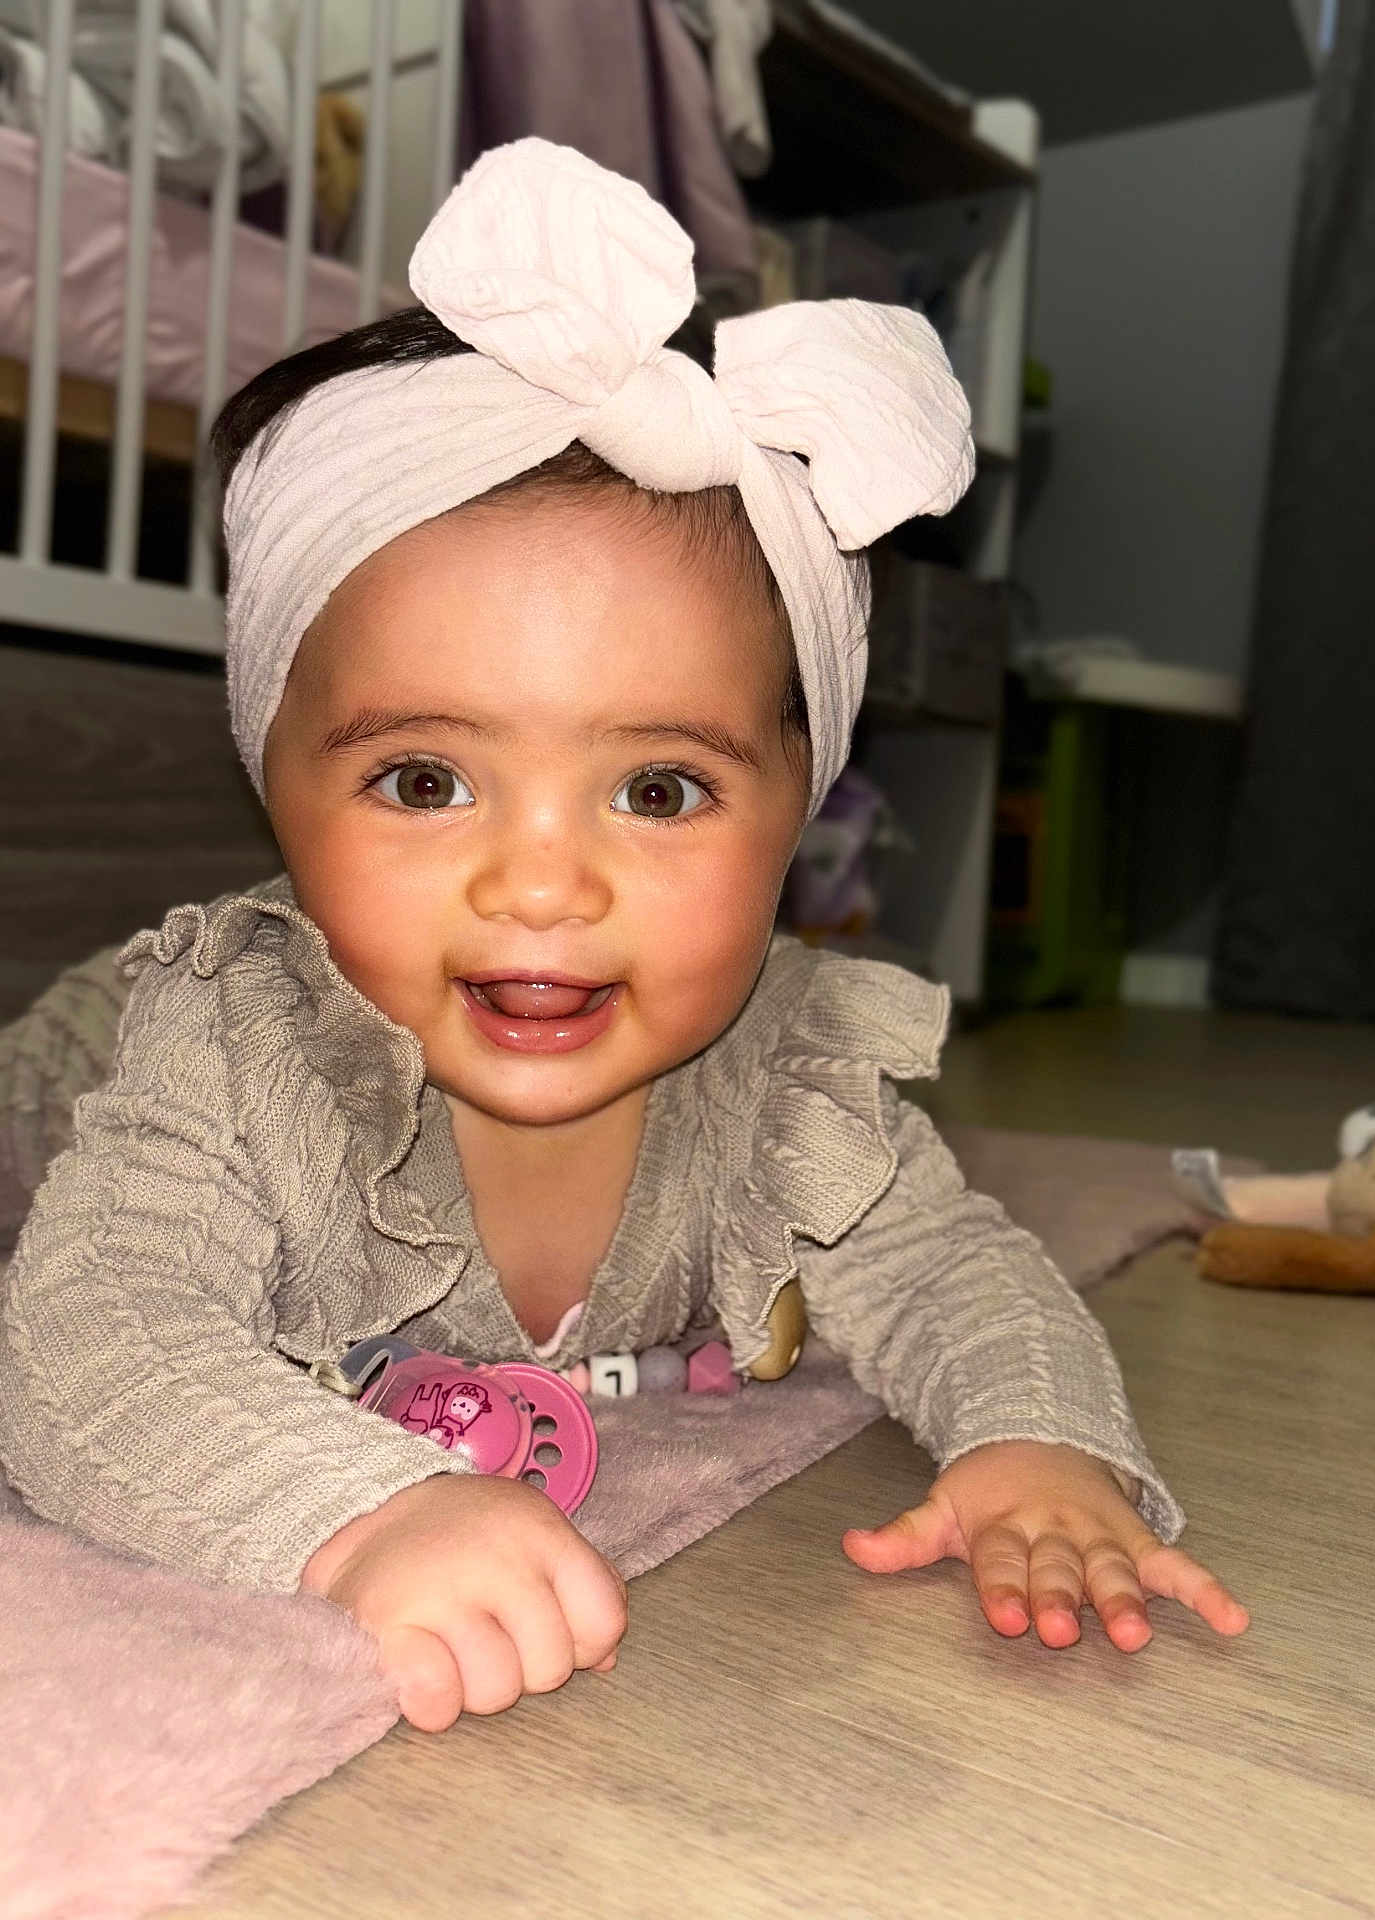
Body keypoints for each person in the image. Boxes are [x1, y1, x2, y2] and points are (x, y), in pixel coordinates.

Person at [0, 139, 1248, 1734]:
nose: (543, 885)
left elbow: (957, 1275)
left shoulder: (787, 1078)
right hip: (78, 1058)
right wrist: (360, 1512)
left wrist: (1037, 1441)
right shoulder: (237, 1044)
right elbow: (86, 1339)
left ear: (800, 806)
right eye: (426, 780)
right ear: (276, 794)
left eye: (658, 789)